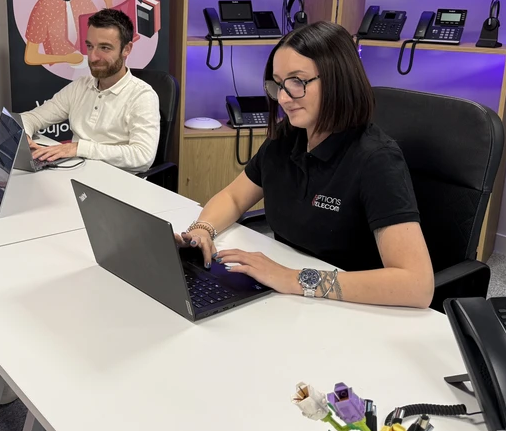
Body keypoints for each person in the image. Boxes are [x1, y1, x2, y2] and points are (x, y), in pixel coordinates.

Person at [177, 21, 434, 309]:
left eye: (297, 82)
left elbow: (416, 285)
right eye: (278, 84)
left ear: (338, 80)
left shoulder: (376, 159)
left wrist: (294, 279)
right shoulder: (288, 136)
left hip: (355, 308)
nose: (283, 97)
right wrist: (202, 229)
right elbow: (234, 197)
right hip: (292, 298)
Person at [20, 8, 160, 174]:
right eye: (90, 46)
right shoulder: (80, 86)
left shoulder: (142, 96)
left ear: (126, 49)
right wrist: (24, 137)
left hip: (118, 182)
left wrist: (79, 148)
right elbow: (31, 118)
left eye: (105, 48)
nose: (93, 57)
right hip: (75, 174)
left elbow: (143, 156)